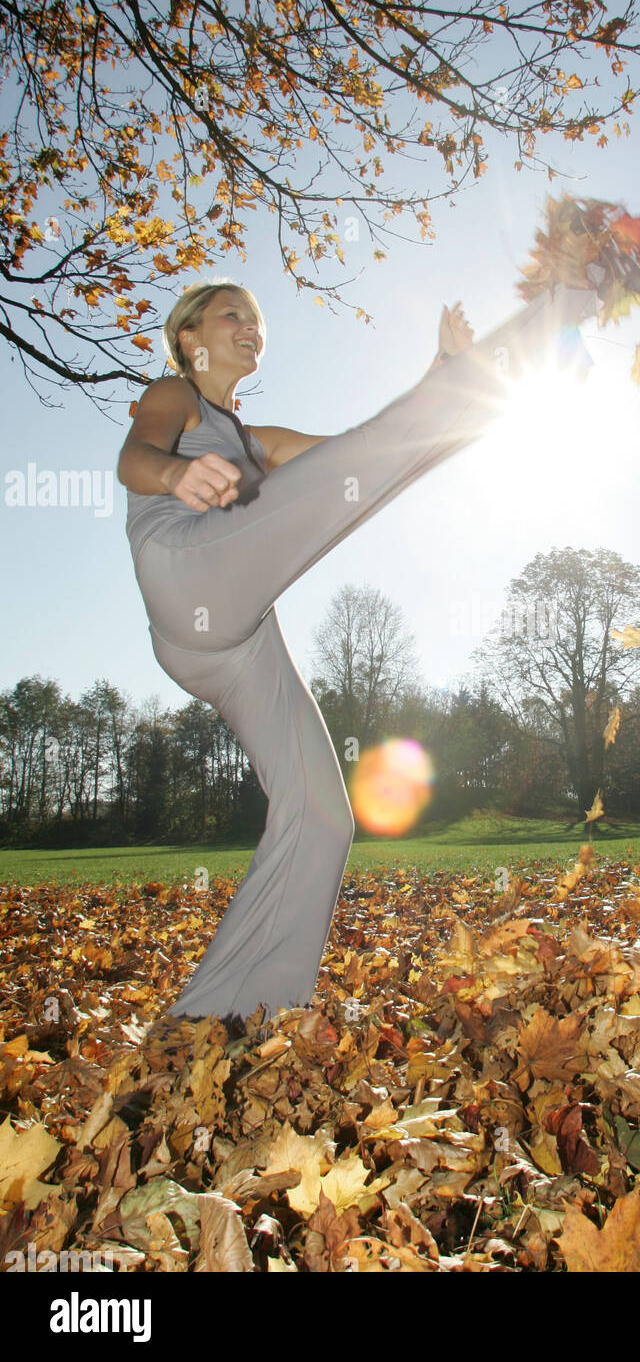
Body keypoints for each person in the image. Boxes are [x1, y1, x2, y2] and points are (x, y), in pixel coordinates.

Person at [117, 274, 599, 1023]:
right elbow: (134, 457)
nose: (250, 326)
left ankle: (229, 1016)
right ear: (190, 337)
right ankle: (553, 314)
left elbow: (359, 459)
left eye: (256, 319)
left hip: (232, 641)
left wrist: (437, 381)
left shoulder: (257, 441)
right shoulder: (174, 397)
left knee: (321, 814)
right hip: (184, 573)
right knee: (370, 461)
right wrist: (176, 472)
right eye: (231, 315)